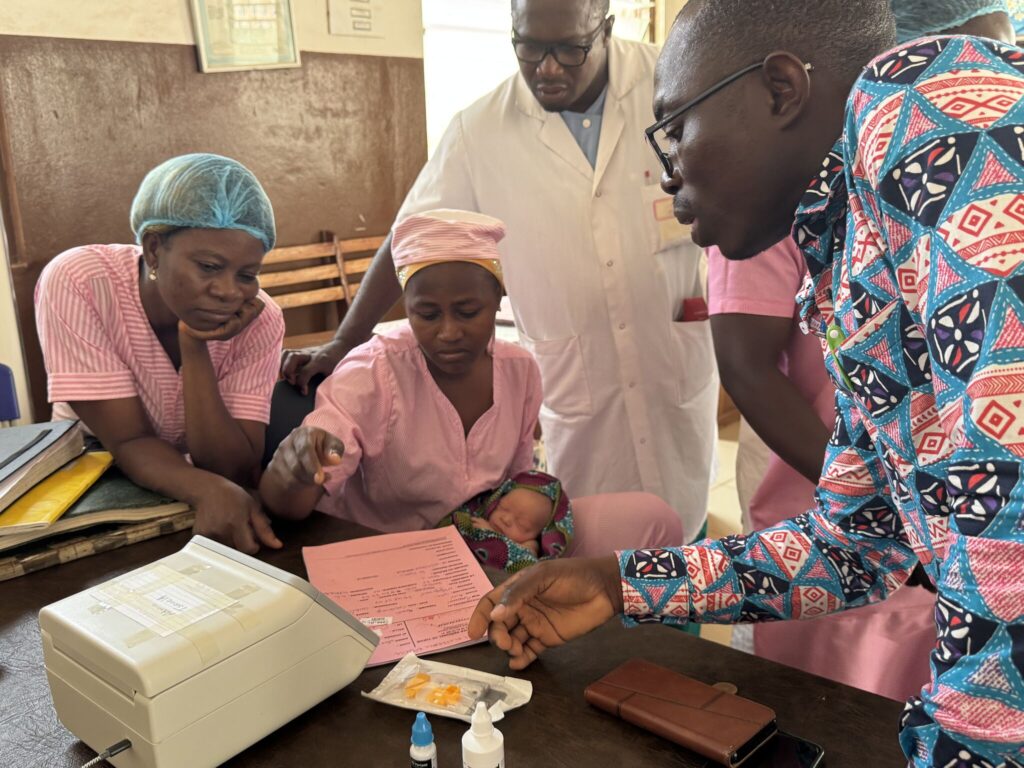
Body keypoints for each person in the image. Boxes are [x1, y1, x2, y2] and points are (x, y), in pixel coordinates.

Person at [470, 1, 1024, 764]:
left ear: (780, 89)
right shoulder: (848, 248)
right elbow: (855, 546)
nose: (667, 173)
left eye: (676, 128)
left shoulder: (932, 106)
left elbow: (1007, 507)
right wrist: (617, 582)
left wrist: (963, 745)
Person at [276, 0, 718, 545]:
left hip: (671, 359)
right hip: (576, 378)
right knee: (586, 546)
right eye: (528, 47)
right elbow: (409, 233)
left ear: (604, 29)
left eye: (569, 49)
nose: (546, 68)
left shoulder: (674, 78)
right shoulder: (479, 129)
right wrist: (345, 340)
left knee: (685, 533)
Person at [260, 210, 682, 554]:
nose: (448, 332)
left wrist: (521, 532)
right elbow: (291, 503)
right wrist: (296, 471)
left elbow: (516, 480)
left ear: (497, 300)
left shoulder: (519, 371)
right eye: (427, 314)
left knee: (654, 520)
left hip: (487, 543)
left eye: (467, 312)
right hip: (395, 555)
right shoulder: (372, 373)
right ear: (407, 307)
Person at [34, 153, 285, 555]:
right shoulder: (81, 282)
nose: (228, 291)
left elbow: (231, 466)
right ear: (153, 249)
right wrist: (208, 489)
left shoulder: (260, 319)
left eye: (247, 275)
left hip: (195, 485)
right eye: (208, 266)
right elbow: (127, 439)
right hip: (92, 484)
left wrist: (195, 345)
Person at [438, 469, 574, 572]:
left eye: (522, 524)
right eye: (502, 508)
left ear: (539, 536)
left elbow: (525, 565)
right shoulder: (480, 517)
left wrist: (491, 536)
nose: (506, 519)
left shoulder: (530, 545)